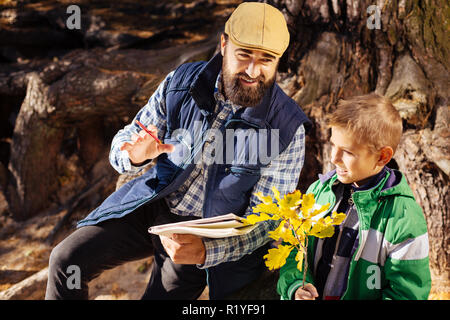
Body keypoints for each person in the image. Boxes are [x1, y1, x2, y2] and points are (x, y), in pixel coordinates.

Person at [45, 2, 311, 300]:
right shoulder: (182, 82)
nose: (253, 70)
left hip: (207, 233)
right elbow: (128, 138)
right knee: (66, 260)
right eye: (244, 54)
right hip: (154, 202)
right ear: (224, 44)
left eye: (266, 59)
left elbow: (265, 221)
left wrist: (207, 251)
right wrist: (133, 155)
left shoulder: (287, 128)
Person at [277, 93, 431, 300]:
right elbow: (294, 251)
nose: (333, 158)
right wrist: (296, 286)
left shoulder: (402, 217)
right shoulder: (318, 192)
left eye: (347, 152)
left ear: (382, 156)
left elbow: (406, 293)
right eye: (333, 145)